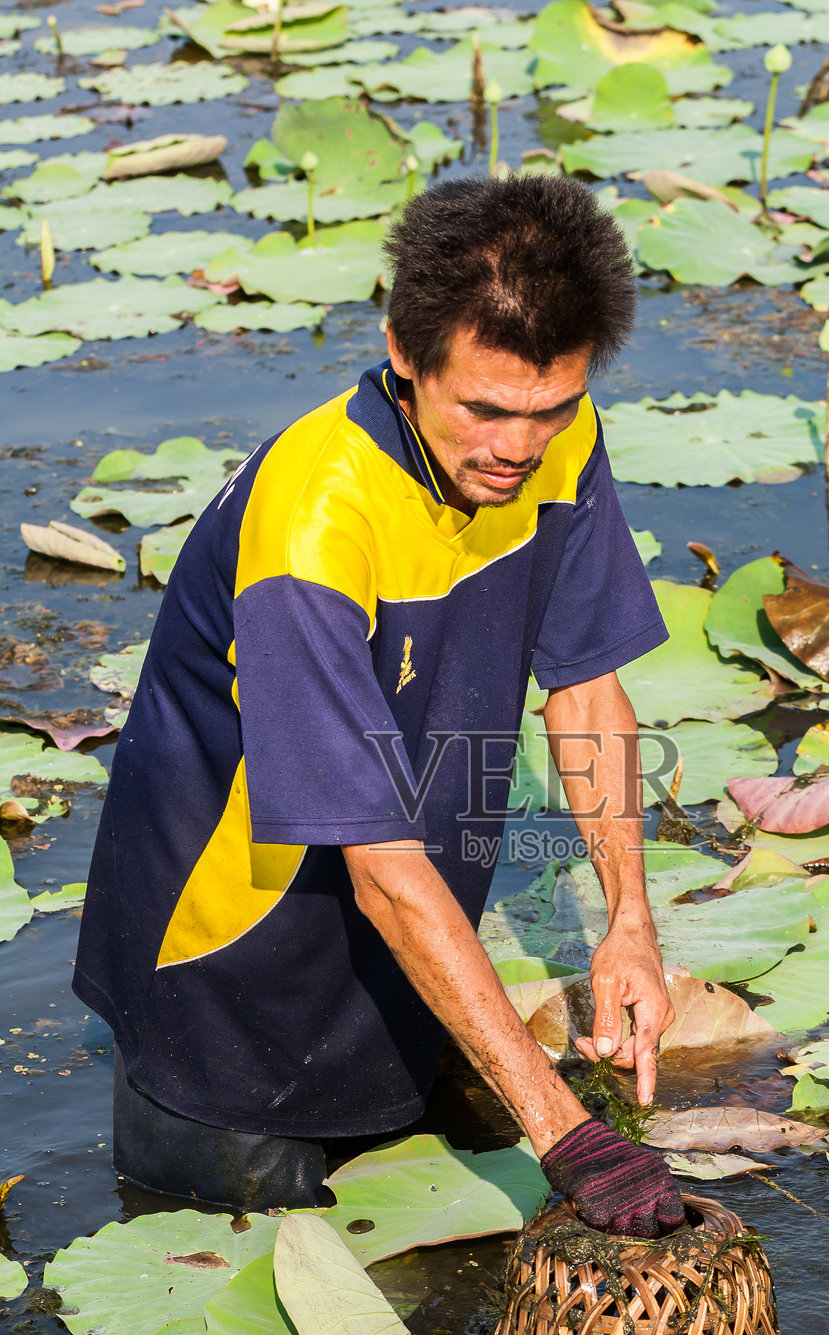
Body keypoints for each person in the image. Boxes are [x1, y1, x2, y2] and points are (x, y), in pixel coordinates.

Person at [73, 174, 685, 1239]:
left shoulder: (558, 439)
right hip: (229, 977)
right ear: (403, 351)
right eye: (484, 409)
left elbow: (584, 686)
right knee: (251, 1308)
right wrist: (567, 1132)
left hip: (404, 941)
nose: (515, 446)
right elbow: (379, 867)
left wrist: (629, 923)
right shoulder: (316, 523)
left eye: (547, 408)